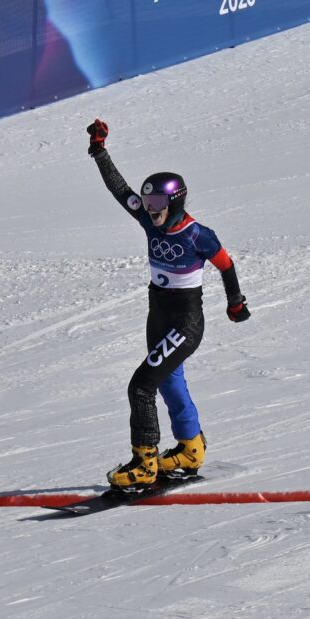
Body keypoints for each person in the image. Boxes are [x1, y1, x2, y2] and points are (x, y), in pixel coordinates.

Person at [86, 118, 251, 489]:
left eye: (157, 203)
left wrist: (235, 303)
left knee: (141, 386)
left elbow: (226, 265)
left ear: (174, 201)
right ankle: (191, 449)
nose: (150, 209)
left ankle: (145, 463)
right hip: (158, 313)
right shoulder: (150, 221)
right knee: (169, 382)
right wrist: (99, 152)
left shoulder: (197, 235)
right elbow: (120, 190)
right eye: (147, 203)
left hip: (185, 320)